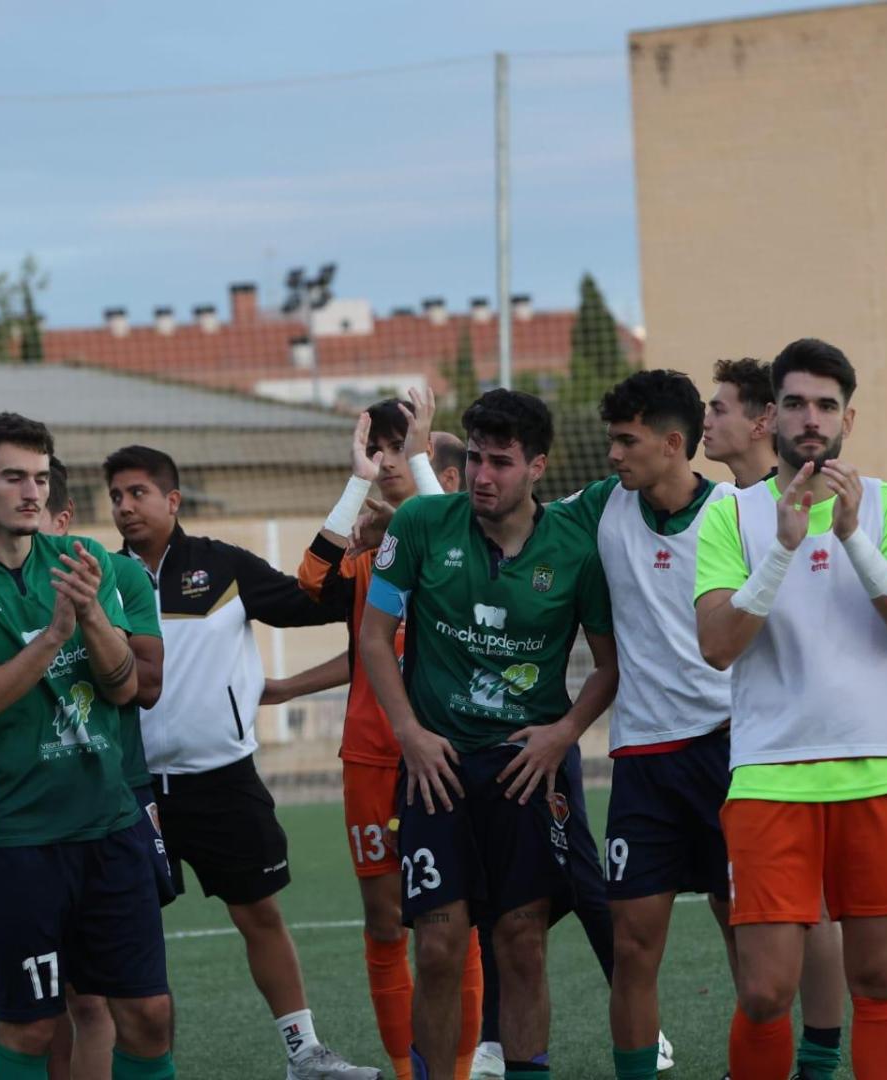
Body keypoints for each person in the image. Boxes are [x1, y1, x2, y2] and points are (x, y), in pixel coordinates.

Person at [362, 388, 620, 1080]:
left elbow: (608, 667)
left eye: (500, 462)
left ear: (538, 466)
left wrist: (562, 735)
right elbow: (375, 638)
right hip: (435, 769)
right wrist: (409, 733)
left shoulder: (575, 549)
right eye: (474, 457)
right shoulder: (419, 523)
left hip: (524, 770)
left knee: (522, 939)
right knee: (440, 948)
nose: (481, 475)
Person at [0, 413, 173, 1080]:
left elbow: (125, 689)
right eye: (13, 477)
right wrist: (54, 636)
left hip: (111, 829)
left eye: (40, 478)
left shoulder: (85, 563)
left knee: (148, 1014)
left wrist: (91, 619)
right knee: (28, 1026)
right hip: (21, 841)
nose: (31, 492)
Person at [694, 339, 887, 1080]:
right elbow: (717, 645)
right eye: (795, 403)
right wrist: (782, 548)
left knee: (880, 984)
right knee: (766, 992)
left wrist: (853, 537)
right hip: (770, 779)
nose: (810, 417)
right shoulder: (731, 515)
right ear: (773, 415)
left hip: (879, 775)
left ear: (847, 419)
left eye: (825, 405)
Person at [105, 445, 378, 1080]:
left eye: (138, 493)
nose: (124, 506)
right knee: (125, 931)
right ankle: (147, 1065)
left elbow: (310, 601)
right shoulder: (101, 576)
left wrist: (356, 501)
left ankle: (304, 1053)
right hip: (130, 788)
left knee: (260, 914)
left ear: (173, 500)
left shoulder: (222, 565)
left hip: (224, 779)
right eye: (116, 495)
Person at [281, 392, 487, 1080]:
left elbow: (462, 537)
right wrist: (355, 484)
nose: (389, 459)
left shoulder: (455, 550)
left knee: (458, 920)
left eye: (403, 448)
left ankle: (458, 1068)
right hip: (371, 757)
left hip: (449, 754)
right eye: (383, 447)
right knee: (382, 919)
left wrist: (422, 458)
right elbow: (310, 579)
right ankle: (407, 1071)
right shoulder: (368, 561)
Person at [545, 369, 735, 1080]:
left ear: (672, 442)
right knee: (632, 947)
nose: (614, 455)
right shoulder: (601, 504)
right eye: (612, 440)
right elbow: (515, 523)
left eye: (627, 441)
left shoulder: (735, 513)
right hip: (645, 765)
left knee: (748, 938)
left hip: (730, 755)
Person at [703, 356, 850, 1080]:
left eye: (720, 406)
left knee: (811, 915)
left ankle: (816, 1061)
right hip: (734, 745)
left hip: (801, 752)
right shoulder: (729, 512)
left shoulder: (814, 505)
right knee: (765, 949)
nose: (708, 420)